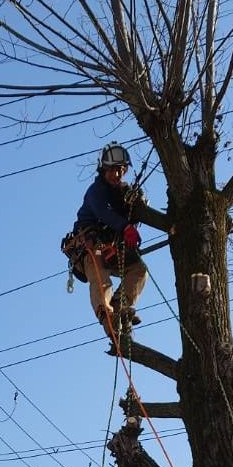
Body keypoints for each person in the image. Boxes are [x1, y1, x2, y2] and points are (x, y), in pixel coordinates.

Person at [69, 142, 147, 340]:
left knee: (139, 269)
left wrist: (138, 202)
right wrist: (125, 227)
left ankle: (121, 304)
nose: (117, 174)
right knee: (100, 275)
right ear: (103, 170)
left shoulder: (123, 192)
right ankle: (108, 317)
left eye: (121, 170)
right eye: (112, 170)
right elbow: (103, 212)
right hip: (91, 246)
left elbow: (133, 210)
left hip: (112, 247)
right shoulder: (95, 191)